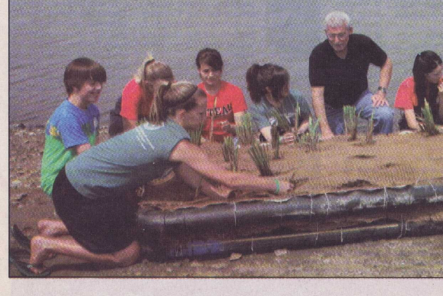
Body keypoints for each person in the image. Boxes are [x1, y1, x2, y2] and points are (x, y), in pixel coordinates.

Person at [14, 81, 293, 276]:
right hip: (77, 194)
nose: (206, 116)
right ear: (182, 113)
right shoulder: (178, 143)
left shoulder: (159, 124)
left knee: (126, 221)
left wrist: (209, 191)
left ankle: (52, 227)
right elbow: (228, 178)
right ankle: (45, 243)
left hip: (75, 183)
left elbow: (183, 170)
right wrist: (275, 184)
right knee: (128, 254)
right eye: (201, 112)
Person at [309, 11, 395, 139]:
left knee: (385, 115)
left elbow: (386, 63)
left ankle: (380, 147)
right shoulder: (318, 54)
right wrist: (325, 129)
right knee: (339, 138)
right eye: (332, 36)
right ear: (325, 33)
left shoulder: (363, 43)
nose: (337, 41)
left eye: (341, 35)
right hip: (333, 106)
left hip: (360, 97)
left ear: (350, 30)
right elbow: (317, 94)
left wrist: (381, 91)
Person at [40, 58, 106, 196]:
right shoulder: (67, 116)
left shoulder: (93, 110)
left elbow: (96, 146)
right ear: (75, 86)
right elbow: (87, 156)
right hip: (57, 180)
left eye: (101, 82)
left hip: (76, 171)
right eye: (93, 83)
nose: (99, 87)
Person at [245, 63, 314, 144]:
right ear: (269, 89)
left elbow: (308, 119)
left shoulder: (296, 97)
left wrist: (299, 131)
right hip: (277, 144)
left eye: (287, 83)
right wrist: (283, 139)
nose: (288, 87)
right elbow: (269, 137)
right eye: (283, 85)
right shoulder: (258, 108)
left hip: (300, 139)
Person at [110, 56, 173, 136]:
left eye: (168, 87)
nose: (166, 91)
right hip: (126, 110)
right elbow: (129, 130)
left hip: (150, 107)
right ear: (148, 85)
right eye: (162, 88)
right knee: (119, 137)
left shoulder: (170, 85)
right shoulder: (132, 92)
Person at [195, 48, 248, 142]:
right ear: (199, 70)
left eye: (215, 70)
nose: (211, 75)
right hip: (204, 142)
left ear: (221, 70)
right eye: (206, 71)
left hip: (231, 141)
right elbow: (190, 129)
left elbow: (242, 128)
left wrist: (231, 127)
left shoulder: (234, 91)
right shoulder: (194, 94)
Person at [394, 51, 443, 131]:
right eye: (436, 74)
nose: (440, 76)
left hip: (437, 121)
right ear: (425, 74)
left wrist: (441, 96)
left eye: (441, 71)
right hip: (417, 125)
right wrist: (436, 128)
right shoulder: (407, 85)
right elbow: (412, 123)